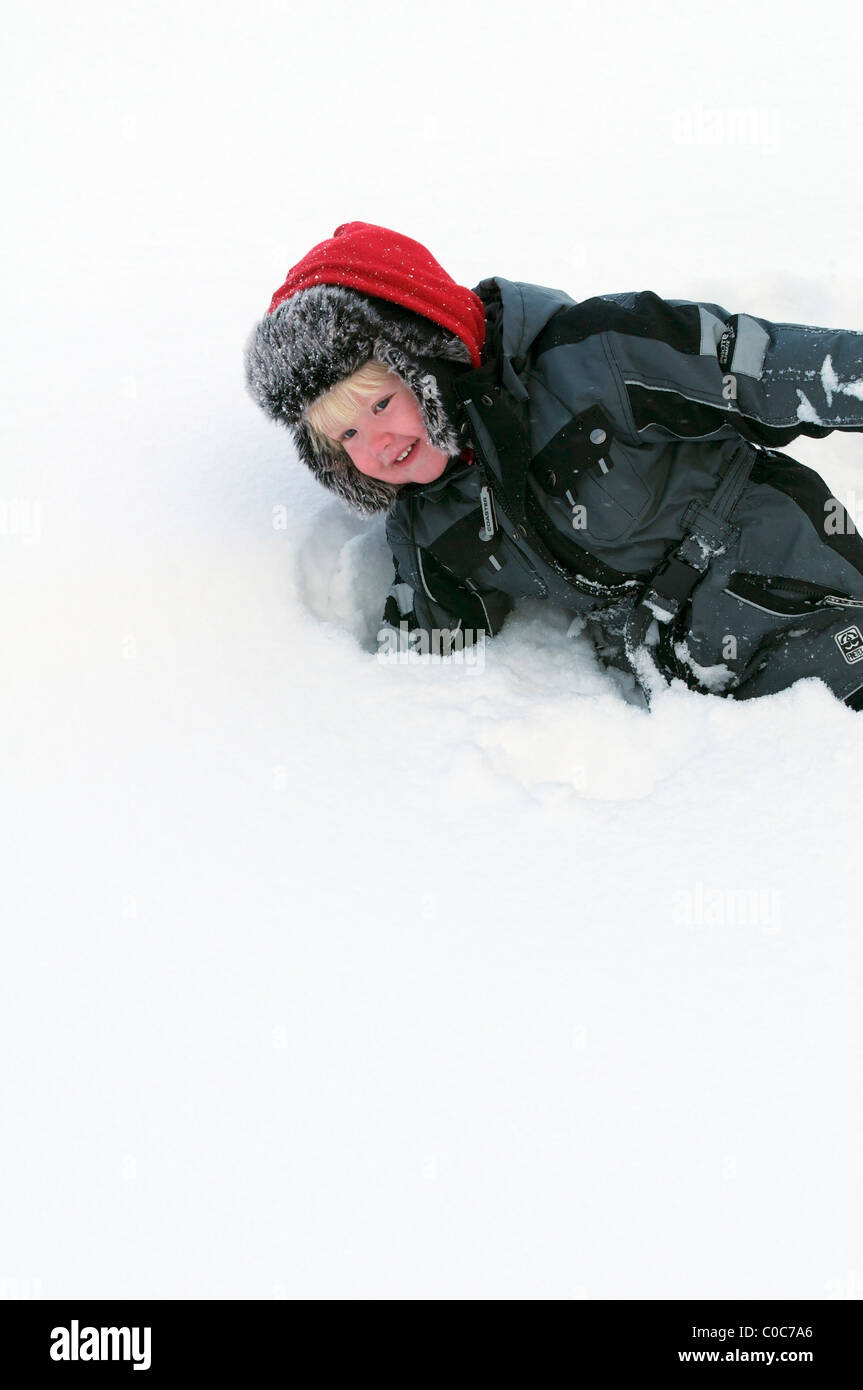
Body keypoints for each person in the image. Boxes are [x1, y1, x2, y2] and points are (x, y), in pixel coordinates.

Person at [244, 221, 863, 709]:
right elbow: (423, 665)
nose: (377, 441)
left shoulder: (594, 358)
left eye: (381, 403)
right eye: (348, 433)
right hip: (685, 679)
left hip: (784, 578)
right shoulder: (429, 525)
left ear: (428, 360)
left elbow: (764, 367)